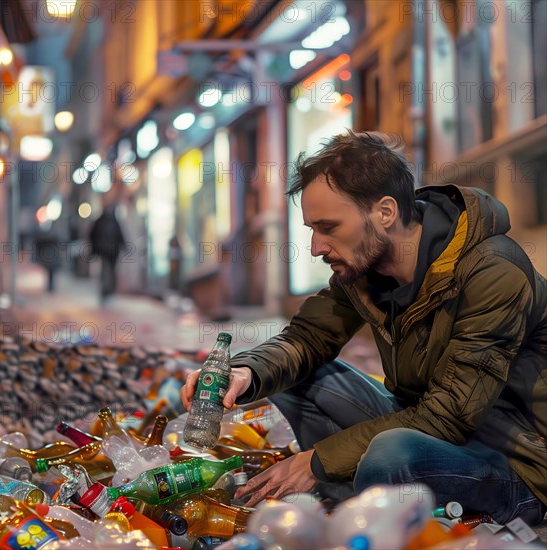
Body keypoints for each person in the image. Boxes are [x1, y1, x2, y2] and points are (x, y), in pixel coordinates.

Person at [180, 131, 546, 525]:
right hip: (424, 430)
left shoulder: (493, 270)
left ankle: (359, 501)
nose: (317, 246)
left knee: (390, 454)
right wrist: (243, 373)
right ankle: (351, 502)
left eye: (329, 227)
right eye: (312, 230)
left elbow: (450, 414)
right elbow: (305, 340)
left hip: (515, 466)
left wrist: (319, 461)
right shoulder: (365, 269)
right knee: (300, 375)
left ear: (385, 212)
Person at [89, 204, 125, 303]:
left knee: (109, 270)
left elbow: (91, 235)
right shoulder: (107, 221)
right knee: (107, 270)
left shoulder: (104, 221)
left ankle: (108, 289)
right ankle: (106, 289)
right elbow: (92, 235)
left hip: (109, 251)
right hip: (107, 251)